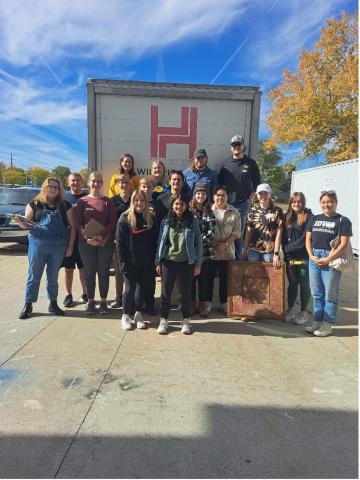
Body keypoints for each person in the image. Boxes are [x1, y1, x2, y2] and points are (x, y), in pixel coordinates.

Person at [17, 177, 76, 319]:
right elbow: (26, 224)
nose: (53, 189)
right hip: (38, 245)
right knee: (34, 275)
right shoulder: (35, 204)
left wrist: (70, 245)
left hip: (58, 247)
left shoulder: (65, 205)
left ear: (59, 189)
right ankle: (28, 304)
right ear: (45, 187)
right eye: (50, 186)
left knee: (53, 277)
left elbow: (72, 226)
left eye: (56, 187)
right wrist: (19, 222)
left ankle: (53, 303)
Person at [305, 190, 352, 337]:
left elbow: (343, 244)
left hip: (330, 259)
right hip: (314, 258)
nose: (327, 204)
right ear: (320, 203)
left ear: (336, 203)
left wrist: (328, 258)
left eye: (330, 201)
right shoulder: (315, 218)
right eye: (324, 202)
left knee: (330, 293)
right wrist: (311, 255)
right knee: (316, 293)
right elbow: (308, 239)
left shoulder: (343, 221)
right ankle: (317, 321)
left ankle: (327, 324)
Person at [155, 194, 203, 334]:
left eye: (182, 204)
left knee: (186, 293)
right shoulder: (166, 221)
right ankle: (163, 320)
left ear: (186, 205)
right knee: (166, 293)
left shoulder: (192, 221)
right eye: (176, 204)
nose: (179, 207)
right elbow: (160, 242)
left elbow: (198, 243)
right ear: (172, 205)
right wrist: (157, 260)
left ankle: (186, 321)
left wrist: (198, 264)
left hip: (186, 262)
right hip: (168, 262)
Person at [75, 172, 117, 315]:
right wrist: (87, 239)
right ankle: (91, 301)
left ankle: (104, 302)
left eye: (99, 181)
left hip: (105, 242)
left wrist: (101, 236)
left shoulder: (107, 201)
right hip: (86, 243)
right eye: (93, 181)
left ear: (102, 183)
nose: (96, 184)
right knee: (89, 272)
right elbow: (78, 223)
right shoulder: (82, 201)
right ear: (89, 183)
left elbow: (113, 222)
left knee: (103, 272)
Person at [116, 190, 158, 330]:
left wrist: (154, 261)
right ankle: (125, 316)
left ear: (146, 202)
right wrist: (122, 263)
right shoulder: (124, 218)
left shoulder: (150, 218)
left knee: (140, 291)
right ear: (132, 201)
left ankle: (138, 315)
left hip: (146, 263)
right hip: (129, 263)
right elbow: (120, 244)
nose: (139, 203)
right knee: (129, 291)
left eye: (142, 200)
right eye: (136, 200)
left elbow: (154, 242)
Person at [218, 135, 261, 258]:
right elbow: (219, 184)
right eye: (234, 145)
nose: (236, 146)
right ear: (231, 148)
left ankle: (237, 261)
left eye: (238, 144)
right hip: (226, 204)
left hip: (243, 204)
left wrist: (250, 198)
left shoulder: (251, 163)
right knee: (225, 233)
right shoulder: (225, 163)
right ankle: (225, 260)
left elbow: (257, 183)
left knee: (238, 235)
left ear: (243, 146)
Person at [206, 186, 241, 315]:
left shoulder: (234, 212)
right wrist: (215, 243)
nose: (220, 198)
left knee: (225, 279)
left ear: (227, 197)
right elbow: (203, 229)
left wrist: (225, 244)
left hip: (228, 251)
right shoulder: (208, 210)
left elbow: (237, 231)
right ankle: (207, 302)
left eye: (223, 195)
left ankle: (224, 303)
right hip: (211, 251)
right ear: (214, 196)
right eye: (218, 195)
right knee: (208, 278)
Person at [282, 192, 314, 324]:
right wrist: (288, 255)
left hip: (304, 257)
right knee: (293, 283)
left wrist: (286, 250)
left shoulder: (309, 217)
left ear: (303, 202)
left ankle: (304, 311)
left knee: (304, 283)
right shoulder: (286, 217)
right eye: (294, 202)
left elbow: (304, 240)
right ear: (290, 203)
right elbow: (284, 238)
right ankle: (290, 309)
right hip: (290, 258)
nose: (296, 204)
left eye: (299, 201)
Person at [189, 183, 216, 318]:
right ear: (194, 195)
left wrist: (199, 241)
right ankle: (193, 304)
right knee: (191, 280)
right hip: (190, 252)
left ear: (206, 196)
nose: (200, 196)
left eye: (203, 194)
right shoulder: (188, 211)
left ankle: (202, 305)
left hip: (205, 251)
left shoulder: (210, 211)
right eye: (198, 193)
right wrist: (193, 243)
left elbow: (212, 230)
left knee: (204, 280)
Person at [242, 183, 283, 269]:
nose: (263, 195)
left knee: (268, 279)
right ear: (256, 195)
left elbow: (279, 233)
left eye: (265, 193)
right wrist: (245, 251)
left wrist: (276, 253)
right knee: (254, 278)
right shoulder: (252, 210)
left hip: (269, 252)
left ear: (270, 194)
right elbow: (248, 232)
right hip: (253, 251)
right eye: (260, 193)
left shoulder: (277, 211)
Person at [61, 172, 87, 307]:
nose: (75, 183)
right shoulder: (64, 198)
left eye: (78, 180)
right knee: (68, 269)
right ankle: (68, 295)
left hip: (83, 240)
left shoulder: (87, 198)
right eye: (73, 180)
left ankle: (85, 293)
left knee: (83, 269)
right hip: (68, 240)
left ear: (82, 182)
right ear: (68, 182)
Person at [110, 174, 132, 309]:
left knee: (133, 269)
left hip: (134, 241)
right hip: (118, 242)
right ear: (118, 184)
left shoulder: (135, 199)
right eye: (121, 182)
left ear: (130, 184)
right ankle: (119, 296)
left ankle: (131, 296)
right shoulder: (112, 201)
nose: (124, 185)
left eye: (126, 182)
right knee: (119, 270)